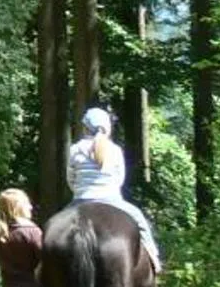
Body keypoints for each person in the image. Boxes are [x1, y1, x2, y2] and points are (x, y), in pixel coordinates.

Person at [67, 106, 161, 270]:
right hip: (111, 199)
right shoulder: (115, 150)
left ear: (85, 128)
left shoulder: (74, 149)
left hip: (81, 199)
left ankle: (42, 264)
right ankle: (154, 260)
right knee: (140, 221)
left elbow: (71, 178)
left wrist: (79, 191)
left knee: (54, 225)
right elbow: (119, 179)